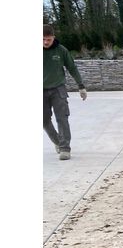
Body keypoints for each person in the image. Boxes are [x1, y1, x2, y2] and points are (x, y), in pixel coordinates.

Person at [43, 24, 87, 160]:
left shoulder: (61, 50)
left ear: (53, 38)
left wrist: (81, 85)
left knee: (62, 118)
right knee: (43, 120)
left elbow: (72, 67)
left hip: (58, 89)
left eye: (48, 39)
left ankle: (65, 148)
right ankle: (57, 141)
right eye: (43, 39)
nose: (45, 42)